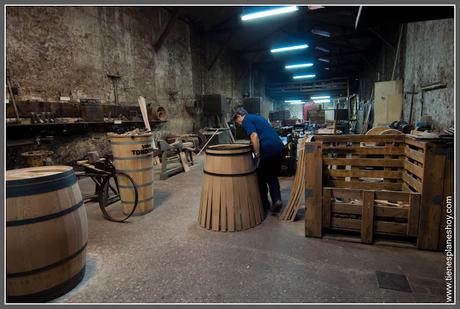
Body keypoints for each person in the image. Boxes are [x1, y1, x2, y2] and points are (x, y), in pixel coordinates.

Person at [232, 107, 284, 213]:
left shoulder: (246, 120)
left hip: (268, 149)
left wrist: (257, 154)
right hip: (279, 147)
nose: (239, 125)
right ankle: (277, 200)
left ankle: (264, 205)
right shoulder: (257, 117)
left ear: (239, 116)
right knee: (272, 175)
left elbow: (254, 135)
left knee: (259, 177)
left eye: (237, 122)